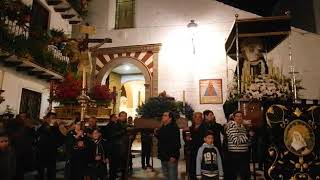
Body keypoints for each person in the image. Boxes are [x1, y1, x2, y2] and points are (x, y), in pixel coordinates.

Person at [36, 112, 64, 180]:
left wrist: (58, 145)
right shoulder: (42, 126)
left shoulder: (56, 128)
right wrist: (51, 126)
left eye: (54, 118)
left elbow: (61, 138)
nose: (53, 120)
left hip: (52, 152)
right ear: (48, 119)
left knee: (51, 171)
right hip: (42, 152)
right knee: (41, 171)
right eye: (52, 118)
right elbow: (43, 131)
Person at [155, 111, 181, 180]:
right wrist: (156, 133)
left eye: (165, 115)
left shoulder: (174, 128)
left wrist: (174, 155)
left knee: (172, 177)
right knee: (166, 176)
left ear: (170, 118)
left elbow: (176, 143)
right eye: (163, 115)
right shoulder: (163, 127)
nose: (163, 117)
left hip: (171, 157)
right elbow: (162, 139)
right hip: (163, 156)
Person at [225, 111, 250, 180]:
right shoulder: (231, 127)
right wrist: (247, 136)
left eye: (240, 116)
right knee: (234, 175)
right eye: (237, 116)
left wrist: (248, 139)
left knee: (244, 175)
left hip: (244, 154)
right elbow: (236, 141)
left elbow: (246, 141)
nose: (239, 118)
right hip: (235, 154)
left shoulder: (243, 127)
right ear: (234, 118)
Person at [185, 112, 208, 180]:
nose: (197, 118)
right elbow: (187, 140)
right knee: (192, 171)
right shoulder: (190, 128)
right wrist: (187, 138)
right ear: (193, 118)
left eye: (199, 117)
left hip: (202, 153)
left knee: (201, 172)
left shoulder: (205, 128)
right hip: (192, 153)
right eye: (196, 117)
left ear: (202, 118)